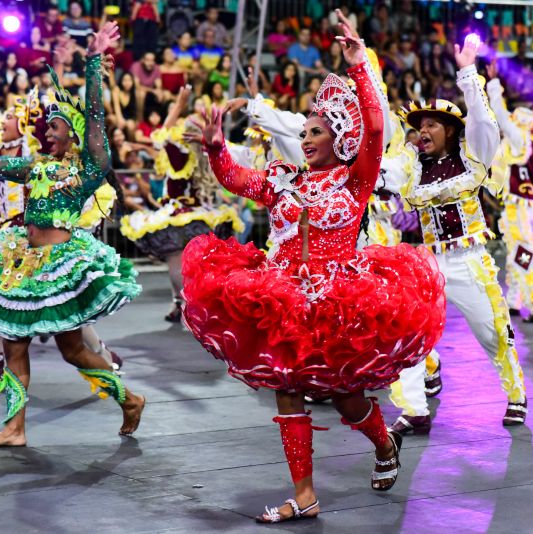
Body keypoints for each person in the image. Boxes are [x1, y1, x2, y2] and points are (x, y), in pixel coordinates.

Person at [182, 12, 445, 523]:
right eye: (303, 132)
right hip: (281, 296)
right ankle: (304, 495)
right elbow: (239, 180)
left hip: (338, 302)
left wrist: (359, 66)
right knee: (286, 387)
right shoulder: (285, 179)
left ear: (338, 139)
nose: (304, 140)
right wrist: (216, 149)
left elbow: (373, 126)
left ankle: (383, 441)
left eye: (315, 132)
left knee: (348, 400)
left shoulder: (355, 180)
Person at [0, 22, 145, 449]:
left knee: (73, 351)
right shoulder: (35, 168)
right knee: (14, 343)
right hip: (22, 260)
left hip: (60, 266)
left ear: (73, 136)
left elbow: (95, 116)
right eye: (48, 127)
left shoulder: (88, 168)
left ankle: (129, 399)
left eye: (55, 126)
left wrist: (93, 62)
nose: (48, 132)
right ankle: (15, 428)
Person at [399, 33, 528, 426]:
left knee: (492, 334)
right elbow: (383, 171)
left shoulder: (472, 159)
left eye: (432, 124)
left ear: (451, 131)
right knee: (408, 333)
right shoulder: (413, 167)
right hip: (428, 265)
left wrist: (469, 73)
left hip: (468, 261)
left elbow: (486, 124)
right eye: (418, 125)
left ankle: (515, 394)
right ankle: (414, 408)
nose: (422, 131)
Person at [120, 86, 242, 322]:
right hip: (202, 214)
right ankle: (191, 305)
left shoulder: (179, 154)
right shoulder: (205, 153)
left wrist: (178, 104)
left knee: (176, 259)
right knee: (200, 264)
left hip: (180, 215)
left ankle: (185, 305)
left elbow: (161, 134)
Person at [487, 62, 533, 323]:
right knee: (521, 249)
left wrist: (494, 85)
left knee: (523, 253)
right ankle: (514, 300)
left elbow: (501, 117)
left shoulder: (519, 139)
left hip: (519, 207)